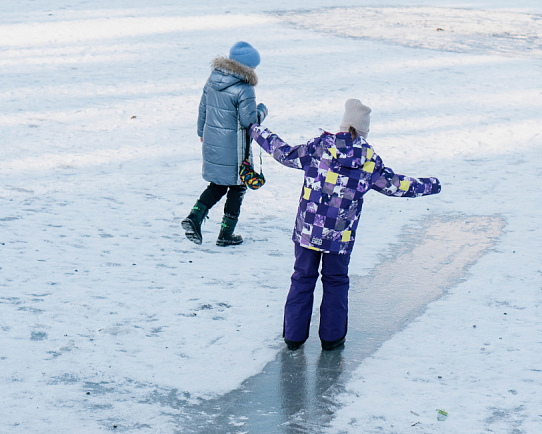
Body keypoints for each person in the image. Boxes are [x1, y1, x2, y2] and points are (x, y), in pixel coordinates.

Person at [249, 99, 441, 351]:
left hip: (308, 231)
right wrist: (432, 184)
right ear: (364, 130)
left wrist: (256, 130)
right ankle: (332, 337)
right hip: (339, 236)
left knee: (302, 278)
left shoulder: (320, 147)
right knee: (336, 281)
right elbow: (396, 186)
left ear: (343, 124)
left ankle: (294, 337)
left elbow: (284, 153)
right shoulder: (370, 160)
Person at [182, 41, 268, 246]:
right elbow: (249, 121)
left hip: (212, 141)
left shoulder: (213, 79)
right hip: (235, 148)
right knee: (238, 186)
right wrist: (262, 110)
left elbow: (202, 107)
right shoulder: (244, 88)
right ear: (246, 66)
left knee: (219, 184)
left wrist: (201, 131)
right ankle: (225, 234)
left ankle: (195, 216)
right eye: (253, 66)